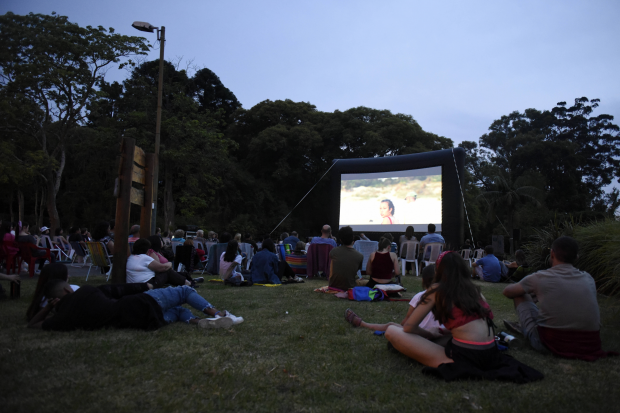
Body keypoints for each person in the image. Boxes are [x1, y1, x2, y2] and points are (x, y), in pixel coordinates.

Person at [385, 251, 543, 383]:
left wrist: (429, 334)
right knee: (443, 337)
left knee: (392, 331)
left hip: (465, 357)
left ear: (439, 271)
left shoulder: (437, 290)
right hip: (491, 353)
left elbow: (409, 326)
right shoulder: (474, 290)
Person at [502, 236, 617, 361]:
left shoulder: (541, 277)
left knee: (520, 294)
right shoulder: (588, 278)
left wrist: (529, 293)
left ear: (552, 254)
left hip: (550, 344)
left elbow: (508, 292)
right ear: (576, 257)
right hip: (589, 344)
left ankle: (527, 328)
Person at [28, 279, 243, 331]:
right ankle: (219, 314)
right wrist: (143, 286)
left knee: (177, 312)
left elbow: (32, 325)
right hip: (140, 303)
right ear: (67, 290)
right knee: (184, 291)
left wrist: (47, 309)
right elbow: (116, 289)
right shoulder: (85, 291)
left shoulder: (63, 319)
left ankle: (198, 321)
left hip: (145, 322)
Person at [345, 265, 445, 339]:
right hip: (441, 334)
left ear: (423, 280)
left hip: (421, 335)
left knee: (391, 325)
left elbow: (406, 322)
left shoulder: (420, 297)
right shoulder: (448, 298)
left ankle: (363, 324)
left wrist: (400, 329)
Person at [126, 238, 190, 288]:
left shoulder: (131, 257)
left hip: (135, 285)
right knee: (167, 272)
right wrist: (170, 264)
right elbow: (162, 268)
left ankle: (184, 281)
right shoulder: (144, 258)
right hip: (148, 284)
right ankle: (186, 283)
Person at [328, 226, 363, 291]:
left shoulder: (333, 252)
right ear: (353, 238)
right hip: (350, 286)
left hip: (333, 285)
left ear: (340, 239)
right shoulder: (360, 256)